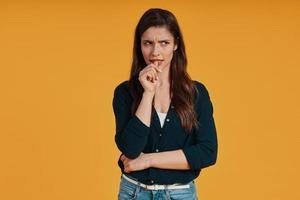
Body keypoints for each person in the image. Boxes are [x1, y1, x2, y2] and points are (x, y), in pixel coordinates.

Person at [112, 8, 218, 200]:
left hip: (180, 194)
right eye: (148, 43)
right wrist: (147, 94)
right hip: (134, 193)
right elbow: (131, 149)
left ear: (176, 44)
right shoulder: (124, 93)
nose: (155, 52)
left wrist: (148, 160)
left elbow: (207, 153)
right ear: (139, 46)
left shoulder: (196, 94)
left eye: (164, 43)